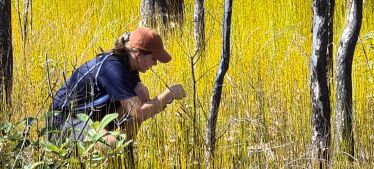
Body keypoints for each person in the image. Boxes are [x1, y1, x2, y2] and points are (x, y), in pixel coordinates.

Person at [48, 27, 186, 146]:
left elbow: (139, 101)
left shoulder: (129, 65)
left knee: (140, 97)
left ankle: (126, 154)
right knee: (114, 143)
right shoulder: (113, 69)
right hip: (64, 123)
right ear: (139, 55)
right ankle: (120, 152)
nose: (155, 64)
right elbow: (137, 113)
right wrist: (169, 94)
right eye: (154, 59)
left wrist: (146, 98)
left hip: (89, 117)